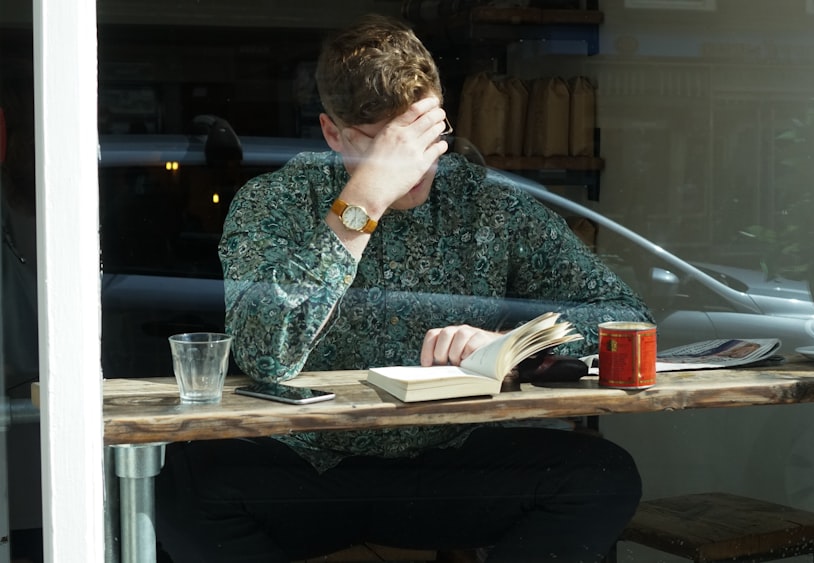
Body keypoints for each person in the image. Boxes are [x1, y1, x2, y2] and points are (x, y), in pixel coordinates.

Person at [156, 14, 653, 563]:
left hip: (447, 459)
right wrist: (362, 200)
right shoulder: (277, 200)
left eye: (421, 139)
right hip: (304, 464)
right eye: (381, 146)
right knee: (186, 487)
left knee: (602, 476)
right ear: (332, 133)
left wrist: (505, 342)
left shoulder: (488, 205)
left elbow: (625, 317)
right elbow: (261, 352)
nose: (409, 168)